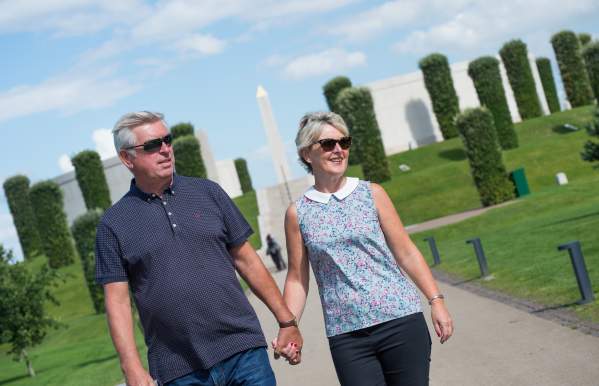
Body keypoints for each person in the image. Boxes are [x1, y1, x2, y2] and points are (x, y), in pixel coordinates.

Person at [95, 111, 302, 386]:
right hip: (178, 370)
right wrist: (131, 366)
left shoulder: (209, 193)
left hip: (243, 349)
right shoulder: (113, 225)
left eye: (167, 140)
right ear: (126, 158)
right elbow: (118, 302)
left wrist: (287, 322)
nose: (166, 149)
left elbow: (247, 261)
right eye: (153, 145)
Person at [276, 112, 454, 386]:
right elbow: (297, 279)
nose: (338, 150)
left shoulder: (372, 194)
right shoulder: (297, 213)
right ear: (306, 154)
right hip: (346, 336)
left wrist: (436, 300)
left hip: (401, 320)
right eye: (327, 144)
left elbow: (406, 252)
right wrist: (289, 326)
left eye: (343, 142)